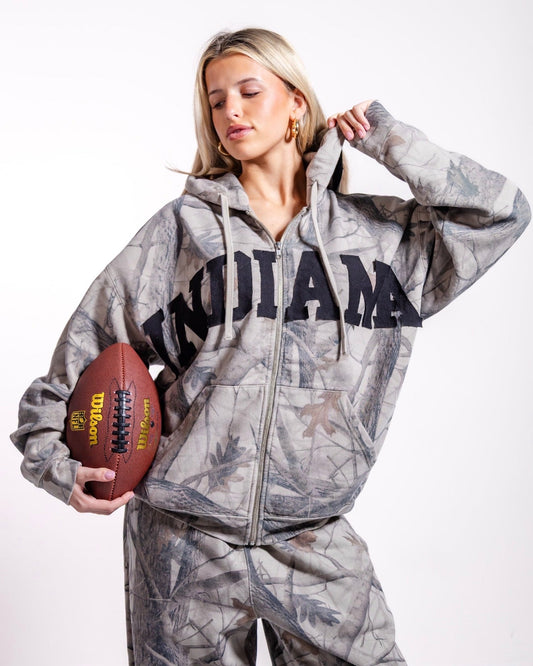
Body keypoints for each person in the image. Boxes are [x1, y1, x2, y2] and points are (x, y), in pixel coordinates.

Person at [11, 27, 530, 666]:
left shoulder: (378, 240)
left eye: (249, 91)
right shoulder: (183, 231)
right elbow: (82, 353)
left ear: (296, 104)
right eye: (216, 100)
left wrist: (387, 138)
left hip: (314, 541)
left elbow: (501, 214)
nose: (230, 110)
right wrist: (57, 467)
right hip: (182, 546)